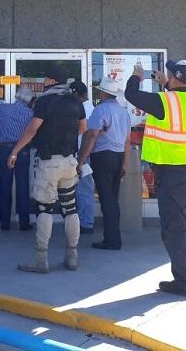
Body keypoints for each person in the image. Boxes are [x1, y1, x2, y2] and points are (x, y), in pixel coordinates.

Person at [125, 59, 186, 299]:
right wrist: (168, 85)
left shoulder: (163, 101)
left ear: (174, 77)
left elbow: (131, 94)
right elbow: (183, 106)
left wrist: (137, 75)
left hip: (174, 176)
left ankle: (185, 281)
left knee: (175, 230)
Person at [8, 66, 87, 273]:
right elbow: (83, 129)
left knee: (45, 209)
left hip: (48, 162)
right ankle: (72, 257)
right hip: (69, 161)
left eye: (46, 77)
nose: (43, 81)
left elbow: (32, 129)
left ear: (52, 80)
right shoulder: (75, 101)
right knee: (70, 209)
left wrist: (15, 151)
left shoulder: (44, 101)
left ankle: (41, 260)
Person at [77, 76, 132, 250]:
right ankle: (113, 236)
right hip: (118, 156)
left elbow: (92, 135)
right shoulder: (123, 112)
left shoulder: (100, 110)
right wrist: (125, 164)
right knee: (112, 199)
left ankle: (112, 240)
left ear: (102, 92)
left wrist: (82, 157)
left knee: (106, 198)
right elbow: (127, 141)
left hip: (103, 156)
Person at [0, 86, 35, 231]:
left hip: (5, 149)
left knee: (5, 186)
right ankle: (24, 222)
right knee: (22, 186)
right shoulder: (30, 113)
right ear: (29, 100)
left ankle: (5, 223)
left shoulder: (4, 108)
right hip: (23, 150)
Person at [71, 81, 96, 235]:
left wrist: (80, 158)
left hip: (83, 154)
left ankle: (86, 222)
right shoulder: (90, 108)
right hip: (84, 153)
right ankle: (83, 220)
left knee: (84, 189)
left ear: (76, 94)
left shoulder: (84, 110)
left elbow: (86, 134)